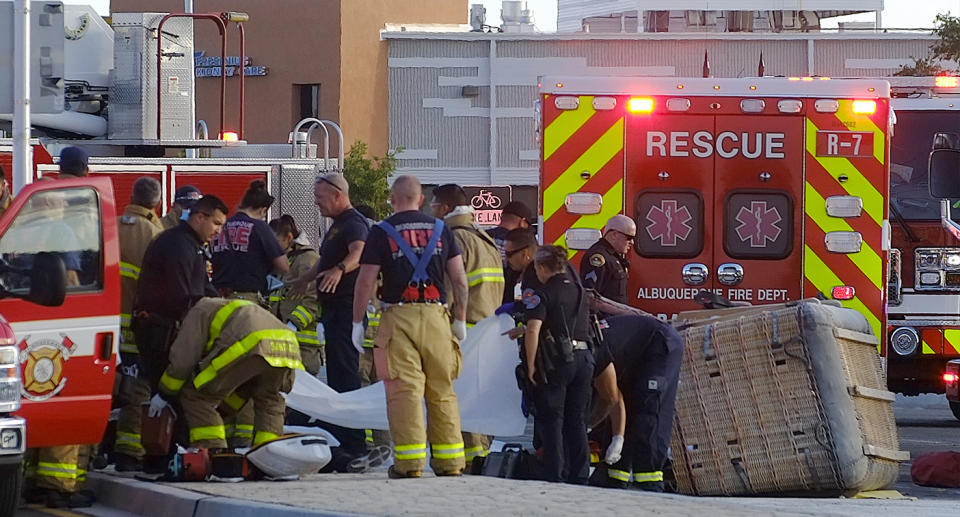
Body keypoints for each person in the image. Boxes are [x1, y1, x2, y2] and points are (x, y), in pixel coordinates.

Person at [353, 175, 469, 478]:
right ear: (420, 200)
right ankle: (450, 463)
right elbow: (459, 279)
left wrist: (356, 322)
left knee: (404, 392)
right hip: (437, 319)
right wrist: (460, 319)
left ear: (393, 199)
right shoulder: (442, 229)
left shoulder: (381, 232)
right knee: (442, 390)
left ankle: (410, 464)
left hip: (398, 319)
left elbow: (366, 280)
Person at [149, 298, 303, 481]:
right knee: (269, 401)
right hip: (287, 346)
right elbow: (242, 388)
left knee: (198, 396)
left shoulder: (198, 310)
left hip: (251, 344)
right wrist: (223, 411)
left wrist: (164, 393)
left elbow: (183, 360)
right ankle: (269, 464)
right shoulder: (232, 305)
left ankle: (218, 459)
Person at [23, 146, 95, 508]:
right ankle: (59, 485)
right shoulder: (83, 199)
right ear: (85, 168)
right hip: (74, 306)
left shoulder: (44, 194)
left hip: (36, 308)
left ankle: (37, 479)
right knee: (72, 398)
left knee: (41, 393)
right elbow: (74, 264)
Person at [291, 173, 369, 465]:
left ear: (338, 195)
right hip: (333, 312)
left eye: (320, 198)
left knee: (347, 375)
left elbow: (359, 253)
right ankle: (339, 430)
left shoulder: (353, 223)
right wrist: (305, 279)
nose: (316, 203)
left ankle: (355, 443)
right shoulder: (337, 226)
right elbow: (324, 262)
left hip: (346, 309)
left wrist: (339, 270)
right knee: (337, 375)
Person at [430, 184, 503, 463]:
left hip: (462, 335)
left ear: (446, 208)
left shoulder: (454, 239)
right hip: (485, 334)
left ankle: (468, 462)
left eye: (434, 206)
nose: (431, 211)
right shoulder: (483, 238)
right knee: (478, 401)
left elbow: (447, 290)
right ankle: (479, 458)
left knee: (459, 402)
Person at [516, 245, 594, 484]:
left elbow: (534, 329)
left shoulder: (543, 292)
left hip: (558, 362)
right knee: (577, 419)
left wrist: (530, 365)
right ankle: (580, 473)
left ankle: (554, 472)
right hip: (584, 359)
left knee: (552, 419)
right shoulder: (579, 291)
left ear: (541, 267)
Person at [590, 314, 682, 491]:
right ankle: (615, 473)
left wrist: (616, 438)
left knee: (649, 407)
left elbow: (613, 400)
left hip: (660, 343)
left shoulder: (594, 354)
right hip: (636, 353)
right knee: (629, 400)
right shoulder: (586, 350)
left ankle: (650, 477)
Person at [113, 177, 165, 472]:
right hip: (135, 326)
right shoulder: (155, 234)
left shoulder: (110, 225)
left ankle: (93, 451)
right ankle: (129, 452)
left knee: (104, 389)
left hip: (103, 324)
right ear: (156, 203)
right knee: (137, 388)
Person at [210, 180, 289, 303]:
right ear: (263, 210)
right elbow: (283, 266)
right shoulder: (259, 227)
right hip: (245, 299)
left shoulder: (220, 227)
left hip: (216, 297)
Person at [268, 215, 322, 375]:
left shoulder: (308, 259)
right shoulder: (283, 260)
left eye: (274, 242)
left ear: (289, 237)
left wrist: (294, 324)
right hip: (281, 341)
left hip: (303, 346)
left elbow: (313, 300)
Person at [579, 215, 636, 305]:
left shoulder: (613, 257)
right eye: (629, 238)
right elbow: (591, 297)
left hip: (615, 317)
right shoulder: (598, 258)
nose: (632, 242)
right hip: (605, 318)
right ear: (614, 235)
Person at [486, 201, 534, 304]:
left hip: (484, 301)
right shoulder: (523, 242)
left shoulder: (483, 238)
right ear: (522, 222)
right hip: (510, 302)